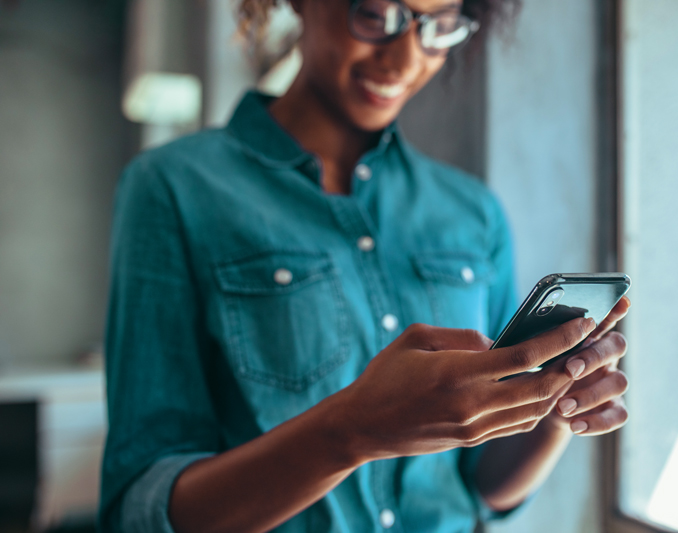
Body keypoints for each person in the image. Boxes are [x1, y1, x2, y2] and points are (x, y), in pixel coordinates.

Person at [99, 0, 631, 531]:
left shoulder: (472, 212)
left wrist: (553, 406)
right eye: (376, 15)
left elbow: (480, 486)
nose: (405, 61)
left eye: (439, 27)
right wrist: (351, 431)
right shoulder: (174, 188)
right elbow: (141, 509)